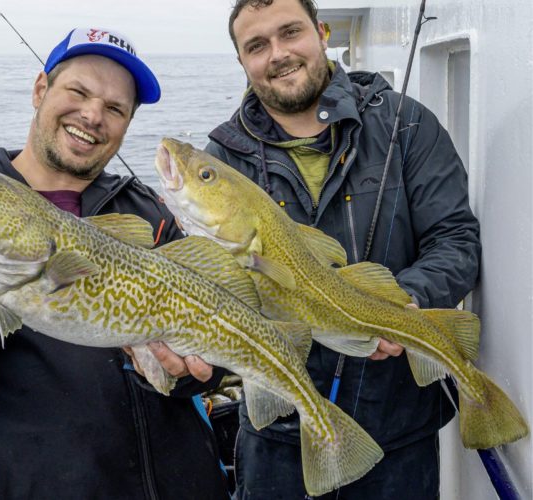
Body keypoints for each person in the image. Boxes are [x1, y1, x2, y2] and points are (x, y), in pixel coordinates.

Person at [0, 28, 228, 500]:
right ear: (41, 89)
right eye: (78, 91)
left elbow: (211, 356)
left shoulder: (149, 214)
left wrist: (189, 373)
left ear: (127, 124)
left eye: (116, 108)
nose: (93, 115)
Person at [204, 1, 482, 498]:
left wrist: (408, 300)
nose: (279, 54)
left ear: (322, 31)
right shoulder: (222, 160)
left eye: (291, 32)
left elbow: (455, 239)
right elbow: (214, 285)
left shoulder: (406, 123)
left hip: (397, 429)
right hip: (278, 433)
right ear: (242, 62)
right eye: (257, 45)